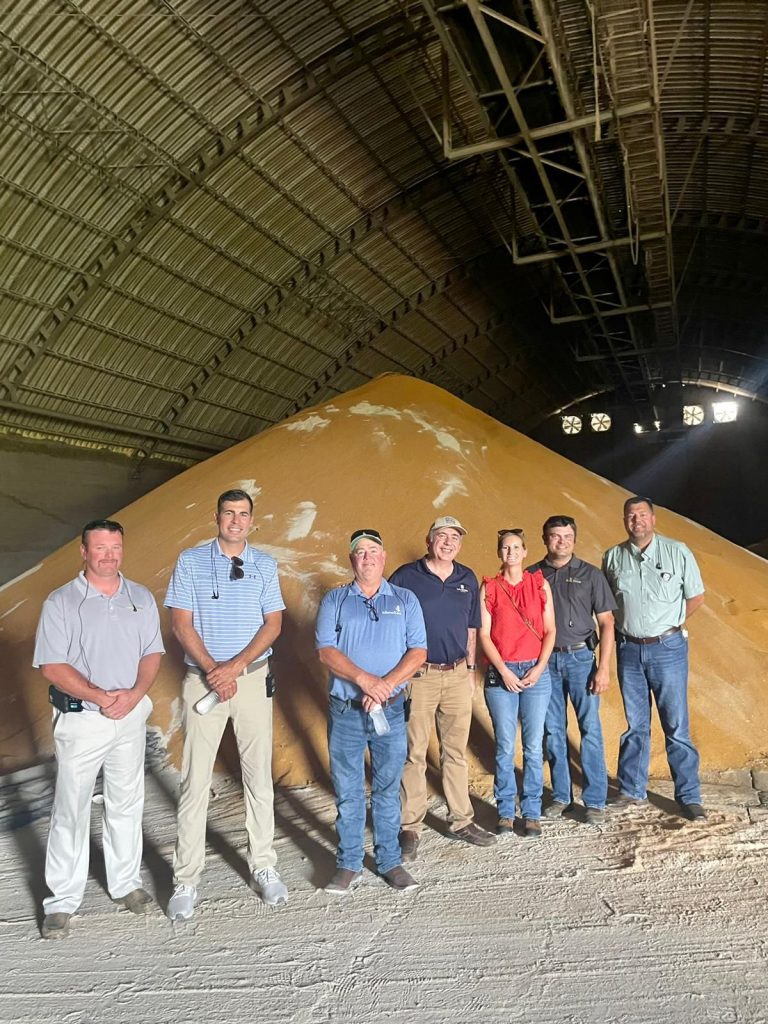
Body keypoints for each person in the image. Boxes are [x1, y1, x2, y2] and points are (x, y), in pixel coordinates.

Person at [33, 519, 164, 940]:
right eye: (101, 548)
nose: (109, 555)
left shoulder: (140, 597)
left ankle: (126, 883)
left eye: (115, 547)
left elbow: (152, 653)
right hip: (83, 721)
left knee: (126, 800)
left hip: (129, 716)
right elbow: (52, 666)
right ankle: (61, 901)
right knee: (70, 808)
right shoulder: (61, 602)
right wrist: (101, 696)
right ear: (84, 552)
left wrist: (134, 694)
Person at [164, 489, 286, 921]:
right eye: (229, 513)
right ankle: (186, 879)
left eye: (243, 514)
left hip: (251, 681)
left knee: (258, 777)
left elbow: (273, 624)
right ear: (216, 517)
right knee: (195, 781)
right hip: (203, 682)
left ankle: (263, 866)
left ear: (252, 520)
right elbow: (181, 624)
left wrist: (234, 668)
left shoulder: (264, 565)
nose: (236, 520)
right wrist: (214, 670)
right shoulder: (190, 561)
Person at [316, 529, 427, 895]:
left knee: (387, 789)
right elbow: (326, 651)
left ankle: (389, 861)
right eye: (360, 552)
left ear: (384, 557)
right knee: (348, 790)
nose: (367, 557)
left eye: (373, 551)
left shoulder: (405, 599)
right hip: (346, 712)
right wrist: (366, 681)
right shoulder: (335, 600)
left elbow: (418, 651)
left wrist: (385, 686)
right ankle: (348, 862)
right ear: (352, 559)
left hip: (390, 711)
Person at [389, 515, 495, 860]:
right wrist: (397, 673)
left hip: (457, 675)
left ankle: (461, 821)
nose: (449, 543)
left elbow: (471, 629)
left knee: (455, 752)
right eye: (442, 536)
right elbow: (389, 624)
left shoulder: (467, 578)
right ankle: (410, 827)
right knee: (414, 753)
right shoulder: (405, 577)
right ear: (429, 540)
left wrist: (470, 669)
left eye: (455, 538)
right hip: (418, 676)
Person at [602, 497, 706, 820]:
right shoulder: (612, 557)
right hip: (629, 649)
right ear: (624, 520)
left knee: (676, 725)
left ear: (653, 519)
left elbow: (696, 596)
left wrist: (671, 624)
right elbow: (608, 603)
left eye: (642, 514)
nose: (637, 520)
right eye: (631, 516)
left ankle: (689, 796)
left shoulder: (677, 551)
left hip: (668, 649)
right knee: (636, 724)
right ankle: (632, 789)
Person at [529, 515, 616, 825]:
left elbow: (607, 622)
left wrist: (603, 668)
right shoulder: (531, 575)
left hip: (581, 660)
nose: (561, 541)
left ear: (575, 539)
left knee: (590, 728)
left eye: (567, 536)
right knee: (553, 730)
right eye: (555, 536)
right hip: (545, 662)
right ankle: (562, 797)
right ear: (545, 539)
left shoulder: (591, 575)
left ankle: (595, 800)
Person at [479, 529, 556, 838]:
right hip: (503, 672)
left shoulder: (539, 584)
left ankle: (532, 812)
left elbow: (550, 630)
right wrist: (504, 671)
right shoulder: (489, 587)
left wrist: (539, 668)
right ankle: (506, 811)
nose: (510, 552)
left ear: (525, 552)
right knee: (505, 745)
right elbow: (484, 634)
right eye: (505, 547)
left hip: (536, 671)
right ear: (499, 552)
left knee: (534, 747)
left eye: (515, 547)